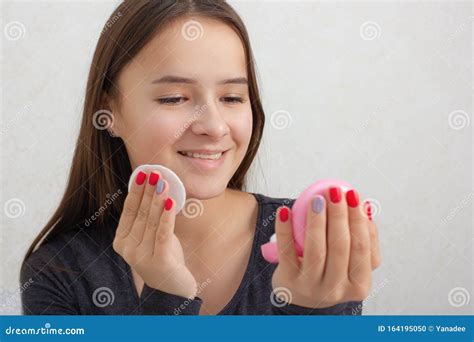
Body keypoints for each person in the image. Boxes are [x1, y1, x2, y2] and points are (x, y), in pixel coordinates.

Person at [20, 0, 381, 315]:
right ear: (108, 109)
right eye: (174, 98)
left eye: (233, 98)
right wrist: (167, 299)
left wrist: (314, 315)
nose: (214, 126)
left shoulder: (311, 243)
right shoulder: (61, 273)